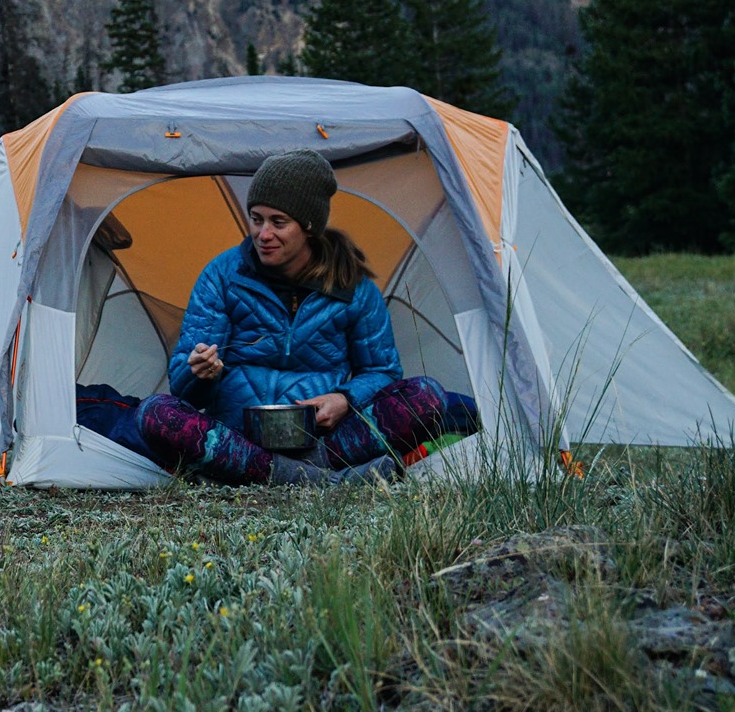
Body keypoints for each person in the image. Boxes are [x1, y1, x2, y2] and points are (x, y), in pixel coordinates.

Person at [132, 149, 479, 486]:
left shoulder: (353, 288)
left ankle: (282, 471)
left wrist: (344, 399)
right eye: (256, 219)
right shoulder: (222, 277)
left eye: (278, 222)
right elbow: (183, 384)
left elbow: (383, 373)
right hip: (239, 435)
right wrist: (198, 372)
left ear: (309, 225)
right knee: (155, 413)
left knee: (427, 396)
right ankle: (318, 479)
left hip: (327, 438)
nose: (263, 234)